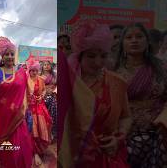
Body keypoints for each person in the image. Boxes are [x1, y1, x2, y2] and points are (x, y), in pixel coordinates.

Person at [60, 20, 132, 168]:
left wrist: (118, 138)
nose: (98, 62)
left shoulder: (117, 83)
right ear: (80, 56)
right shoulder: (69, 84)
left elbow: (126, 116)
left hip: (107, 155)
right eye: (91, 56)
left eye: (103, 56)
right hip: (75, 155)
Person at [114, 23, 167, 168]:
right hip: (124, 133)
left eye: (139, 36)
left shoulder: (161, 68)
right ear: (122, 43)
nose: (134, 40)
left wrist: (162, 121)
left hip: (158, 130)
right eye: (129, 37)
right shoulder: (113, 70)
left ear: (147, 41)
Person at [0, 37, 33, 168]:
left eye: (12, 54)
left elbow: (24, 92)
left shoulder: (21, 72)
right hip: (4, 118)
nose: (10, 57)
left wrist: (23, 110)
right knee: (8, 150)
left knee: (22, 148)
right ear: (2, 55)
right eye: (7, 54)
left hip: (18, 117)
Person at [26, 59, 52, 166]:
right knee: (33, 130)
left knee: (44, 127)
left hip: (40, 107)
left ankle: (39, 149)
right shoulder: (26, 80)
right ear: (29, 70)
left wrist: (42, 95)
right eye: (32, 71)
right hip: (30, 109)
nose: (34, 73)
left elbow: (44, 90)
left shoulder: (40, 79)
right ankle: (34, 152)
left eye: (36, 70)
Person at [41, 61, 57, 141]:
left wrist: (54, 91)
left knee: (54, 105)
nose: (46, 66)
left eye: (48, 65)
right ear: (42, 66)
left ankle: (52, 133)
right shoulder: (39, 75)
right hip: (42, 96)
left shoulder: (54, 75)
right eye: (45, 65)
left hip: (53, 96)